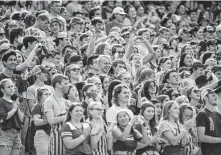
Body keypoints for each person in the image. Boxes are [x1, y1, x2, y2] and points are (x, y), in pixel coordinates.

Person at [44, 74, 70, 155]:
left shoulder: (67, 102)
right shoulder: (49, 100)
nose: (68, 86)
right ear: (58, 85)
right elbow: (51, 121)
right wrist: (67, 116)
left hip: (69, 136)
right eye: (65, 83)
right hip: (57, 137)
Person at [0, 79, 24, 155]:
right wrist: (14, 109)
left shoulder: (14, 103)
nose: (11, 88)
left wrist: (17, 108)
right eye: (8, 87)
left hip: (17, 134)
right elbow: (3, 118)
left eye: (12, 86)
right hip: (6, 133)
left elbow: (22, 120)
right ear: (2, 90)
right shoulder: (1, 101)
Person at [196, 88, 221, 155]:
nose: (216, 97)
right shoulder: (202, 114)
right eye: (213, 95)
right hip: (209, 152)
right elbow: (201, 137)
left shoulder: (218, 114)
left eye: (216, 95)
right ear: (206, 98)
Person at [32, 88, 51, 155]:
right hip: (42, 134)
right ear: (40, 97)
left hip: (51, 134)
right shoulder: (38, 106)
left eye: (49, 94)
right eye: (46, 94)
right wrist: (50, 119)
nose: (49, 96)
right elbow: (36, 122)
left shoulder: (50, 107)